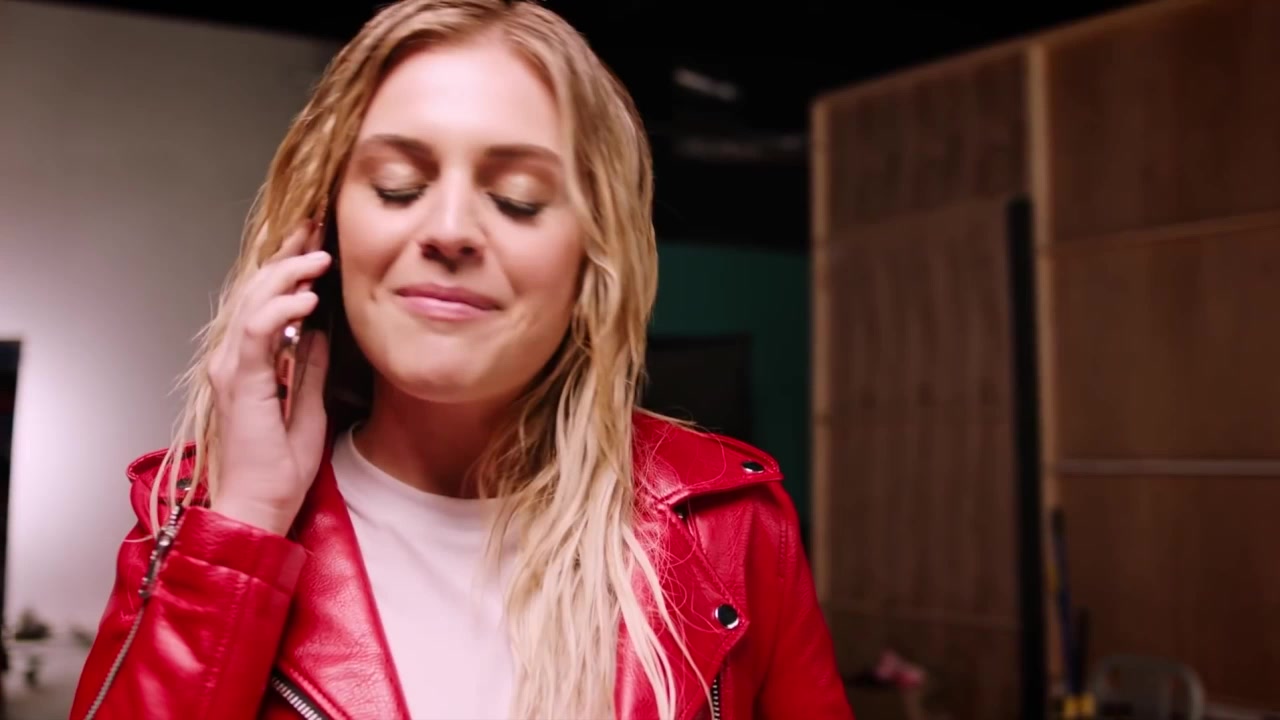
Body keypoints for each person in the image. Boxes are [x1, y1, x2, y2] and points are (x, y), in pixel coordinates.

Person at [69, 1, 854, 718]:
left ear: (593, 252)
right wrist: (243, 527)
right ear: (326, 228)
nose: (449, 230)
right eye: (398, 186)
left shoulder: (732, 530)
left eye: (517, 199)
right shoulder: (194, 525)